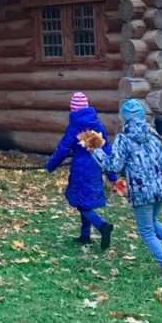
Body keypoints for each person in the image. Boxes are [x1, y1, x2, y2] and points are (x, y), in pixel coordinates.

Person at [90, 99, 162, 278]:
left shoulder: (123, 139)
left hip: (142, 192)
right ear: (143, 116)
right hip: (160, 188)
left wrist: (95, 151)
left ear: (124, 119)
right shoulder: (153, 135)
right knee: (152, 222)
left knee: (146, 231)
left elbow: (113, 166)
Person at [45, 91, 118, 249]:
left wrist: (51, 165)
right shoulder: (97, 125)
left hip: (80, 169)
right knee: (85, 201)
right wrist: (112, 175)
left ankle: (102, 225)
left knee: (81, 203)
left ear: (73, 109)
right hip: (96, 168)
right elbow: (107, 150)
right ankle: (85, 235)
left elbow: (63, 149)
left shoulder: (75, 126)